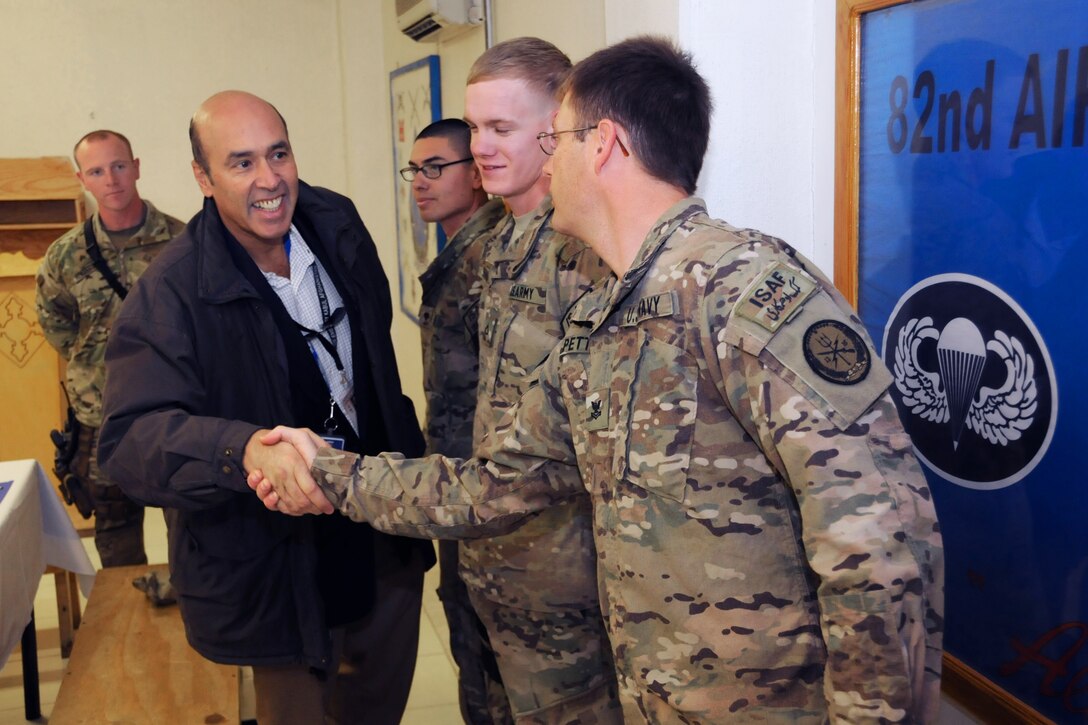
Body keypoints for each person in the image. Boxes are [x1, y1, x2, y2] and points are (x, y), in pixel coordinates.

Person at [252, 36, 945, 723]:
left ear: (604, 145)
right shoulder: (600, 326)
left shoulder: (745, 294)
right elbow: (492, 484)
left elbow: (880, 546)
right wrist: (329, 470)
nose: (546, 159)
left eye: (556, 137)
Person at [97, 91, 434, 725]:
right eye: (242, 163)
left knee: (377, 708)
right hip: (280, 570)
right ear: (203, 177)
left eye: (279, 154)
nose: (269, 180)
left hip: (383, 539)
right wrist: (242, 448)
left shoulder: (337, 222)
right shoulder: (170, 291)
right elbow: (129, 441)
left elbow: (374, 344)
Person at [35, 129, 184, 567]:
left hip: (173, 410)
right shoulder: (65, 255)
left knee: (189, 514)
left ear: (136, 167)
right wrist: (96, 364)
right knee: (115, 525)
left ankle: (192, 610)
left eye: (119, 166)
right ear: (83, 178)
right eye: (97, 170)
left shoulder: (184, 242)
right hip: (102, 418)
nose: (112, 179)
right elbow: (55, 321)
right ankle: (124, 625)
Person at [404, 118, 511, 724]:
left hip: (490, 488)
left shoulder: (494, 256)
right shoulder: (459, 251)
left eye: (435, 167)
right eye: (414, 170)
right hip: (455, 478)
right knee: (463, 623)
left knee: (489, 649)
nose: (420, 182)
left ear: (475, 174)